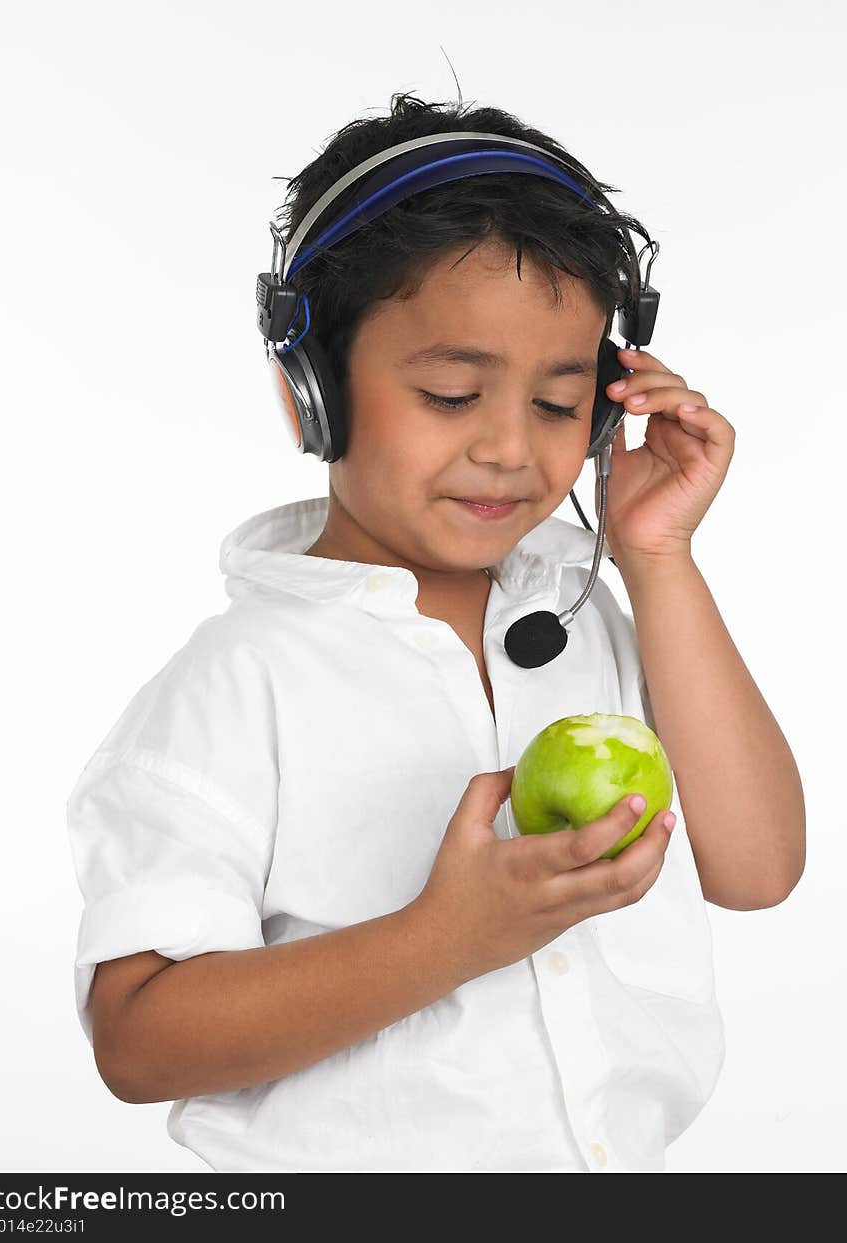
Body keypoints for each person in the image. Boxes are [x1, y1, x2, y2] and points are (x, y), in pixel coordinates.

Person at [65, 91, 806, 1174]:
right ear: (311, 393)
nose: (512, 448)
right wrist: (450, 938)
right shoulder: (238, 684)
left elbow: (756, 866)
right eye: (453, 394)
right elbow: (138, 1040)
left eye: (559, 404)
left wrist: (657, 556)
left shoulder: (590, 612)